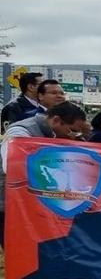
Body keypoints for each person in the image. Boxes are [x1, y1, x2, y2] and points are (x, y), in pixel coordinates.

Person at [1, 102, 87, 248]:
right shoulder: (20, 132)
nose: (73, 135)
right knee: (19, 250)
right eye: (72, 130)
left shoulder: (58, 135)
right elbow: (11, 166)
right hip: (10, 204)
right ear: (56, 120)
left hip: (36, 203)